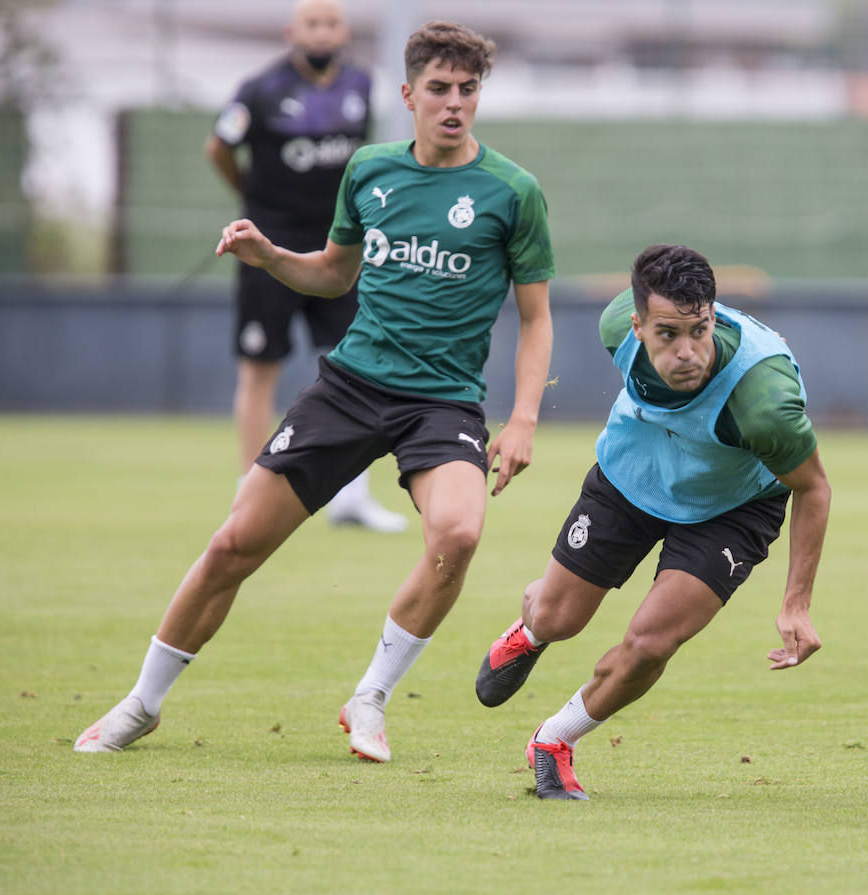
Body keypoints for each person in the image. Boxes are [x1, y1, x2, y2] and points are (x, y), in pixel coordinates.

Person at [76, 20, 555, 762]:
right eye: (439, 89)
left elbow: (535, 317)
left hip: (443, 401)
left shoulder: (513, 192)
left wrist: (524, 418)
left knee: (457, 534)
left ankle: (370, 698)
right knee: (234, 544)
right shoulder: (370, 171)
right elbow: (335, 273)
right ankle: (141, 703)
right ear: (409, 95)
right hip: (350, 388)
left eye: (468, 89)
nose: (454, 102)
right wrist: (269, 257)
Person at [474, 244, 830, 800]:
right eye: (668, 334)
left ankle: (554, 741)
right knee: (558, 616)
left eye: (700, 330)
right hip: (631, 475)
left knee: (650, 644)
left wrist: (796, 602)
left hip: (732, 506)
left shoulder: (763, 401)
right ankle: (531, 630)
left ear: (713, 316)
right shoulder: (615, 326)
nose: (688, 352)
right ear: (637, 326)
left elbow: (814, 486)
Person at [205, 0, 405, 533]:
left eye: (332, 23)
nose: (322, 32)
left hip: (338, 244)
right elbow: (218, 147)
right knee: (259, 365)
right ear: (294, 30)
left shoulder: (363, 84)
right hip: (267, 245)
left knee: (356, 365)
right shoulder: (260, 89)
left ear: (344, 31)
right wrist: (253, 198)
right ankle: (250, 488)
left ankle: (351, 498)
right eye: (312, 23)